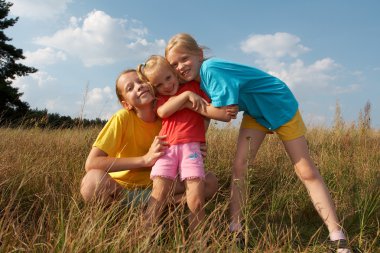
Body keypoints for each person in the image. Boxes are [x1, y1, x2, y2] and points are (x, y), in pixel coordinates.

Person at [164, 33, 351, 252]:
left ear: (199, 55)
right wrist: (199, 139)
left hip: (279, 105)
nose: (180, 67)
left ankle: (337, 236)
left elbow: (225, 114)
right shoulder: (197, 84)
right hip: (256, 113)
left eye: (184, 59)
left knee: (305, 170)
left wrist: (187, 104)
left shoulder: (210, 69)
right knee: (239, 167)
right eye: (174, 64)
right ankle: (236, 230)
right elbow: (208, 113)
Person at [80, 69, 219, 208]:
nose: (139, 86)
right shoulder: (122, 118)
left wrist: (192, 148)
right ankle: (147, 206)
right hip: (121, 190)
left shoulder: (168, 117)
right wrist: (145, 159)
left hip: (159, 186)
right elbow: (92, 163)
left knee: (210, 182)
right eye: (130, 88)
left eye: (141, 81)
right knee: (91, 182)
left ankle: (154, 204)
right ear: (126, 104)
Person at [136, 55, 237, 234]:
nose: (166, 86)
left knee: (196, 198)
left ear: (174, 73)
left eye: (168, 78)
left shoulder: (196, 87)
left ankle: (198, 241)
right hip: (167, 149)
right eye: (158, 85)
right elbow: (162, 112)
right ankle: (143, 234)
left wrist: (228, 108)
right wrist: (186, 96)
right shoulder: (163, 99)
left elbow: (211, 108)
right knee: (158, 195)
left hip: (191, 149)